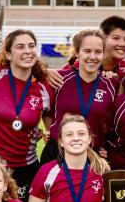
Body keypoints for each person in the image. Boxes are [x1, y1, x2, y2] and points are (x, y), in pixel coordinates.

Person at [0, 29, 52, 200]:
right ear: (8, 54)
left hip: (24, 168)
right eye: (20, 47)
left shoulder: (45, 87)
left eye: (31, 46)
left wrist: (45, 132)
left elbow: (51, 124)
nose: (27, 51)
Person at [40, 30, 117, 166]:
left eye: (98, 52)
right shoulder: (59, 78)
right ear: (77, 53)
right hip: (57, 151)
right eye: (87, 51)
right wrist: (52, 131)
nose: (93, 56)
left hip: (92, 154)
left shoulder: (112, 84)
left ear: (103, 54)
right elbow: (47, 111)